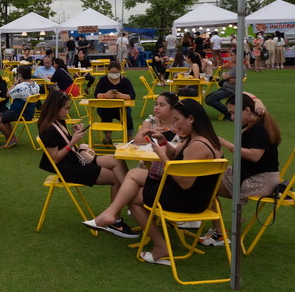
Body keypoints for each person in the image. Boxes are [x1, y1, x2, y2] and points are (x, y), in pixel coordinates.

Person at [84, 99, 222, 265]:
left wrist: (161, 155)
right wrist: (163, 141)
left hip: (187, 199)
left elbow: (185, 182)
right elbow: (175, 156)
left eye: (177, 119)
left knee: (134, 199)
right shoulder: (200, 138)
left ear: (191, 118)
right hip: (194, 195)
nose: (175, 124)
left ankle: (160, 245)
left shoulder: (198, 145)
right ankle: (111, 213)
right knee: (134, 173)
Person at [37, 90, 131, 232]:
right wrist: (72, 141)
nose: (67, 112)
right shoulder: (48, 129)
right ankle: (116, 220)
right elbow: (55, 158)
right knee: (117, 179)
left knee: (117, 160)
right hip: (68, 169)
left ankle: (130, 199)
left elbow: (64, 142)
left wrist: (73, 134)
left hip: (76, 160)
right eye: (65, 109)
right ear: (54, 109)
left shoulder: (57, 121)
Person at [199, 94, 281, 246]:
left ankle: (219, 234)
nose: (231, 117)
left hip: (260, 180)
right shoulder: (257, 122)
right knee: (208, 172)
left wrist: (224, 143)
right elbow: (246, 95)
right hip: (256, 175)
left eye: (233, 112)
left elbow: (255, 156)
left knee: (206, 183)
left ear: (247, 110)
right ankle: (207, 222)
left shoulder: (259, 129)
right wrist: (259, 101)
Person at [0, 64, 39, 148]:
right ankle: (13, 138)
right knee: (5, 117)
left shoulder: (21, 87)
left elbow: (7, 94)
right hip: (30, 112)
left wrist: (15, 83)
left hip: (20, 113)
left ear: (20, 75)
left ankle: (10, 139)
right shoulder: (35, 84)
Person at [92, 61, 136, 143]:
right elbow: (96, 94)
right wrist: (105, 95)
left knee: (127, 115)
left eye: (116, 72)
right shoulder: (103, 80)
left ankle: (130, 139)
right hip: (106, 107)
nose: (114, 74)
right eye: (112, 72)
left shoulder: (125, 81)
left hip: (121, 108)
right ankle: (108, 138)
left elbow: (132, 95)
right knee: (106, 112)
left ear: (120, 71)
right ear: (108, 71)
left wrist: (121, 95)